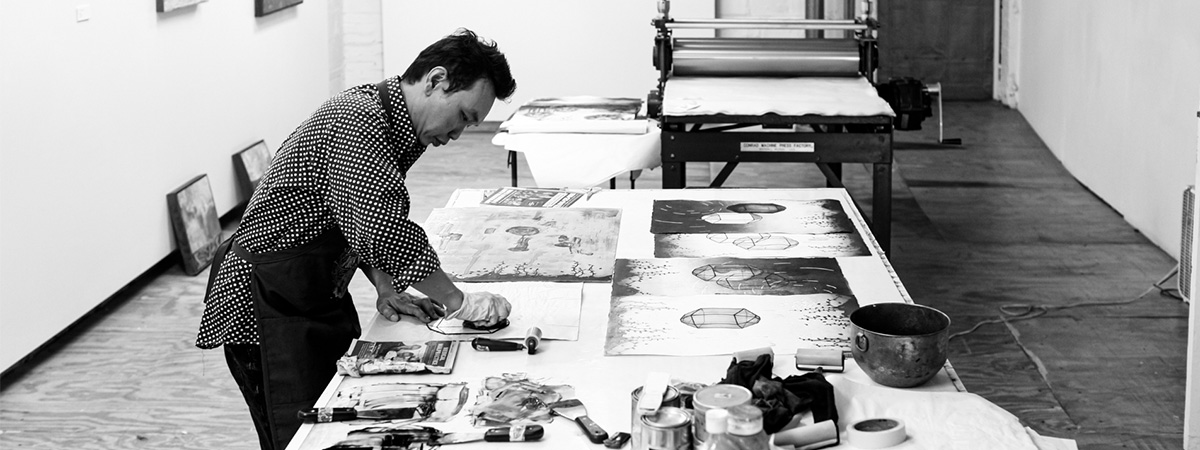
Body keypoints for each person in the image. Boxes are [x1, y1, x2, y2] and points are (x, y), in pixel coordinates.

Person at [195, 29, 516, 450]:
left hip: (308, 289)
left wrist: (385, 286)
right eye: (464, 116)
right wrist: (460, 302)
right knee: (300, 435)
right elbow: (385, 228)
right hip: (264, 302)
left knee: (339, 420)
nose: (458, 133)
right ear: (436, 80)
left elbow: (358, 214)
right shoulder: (359, 121)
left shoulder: (393, 121)